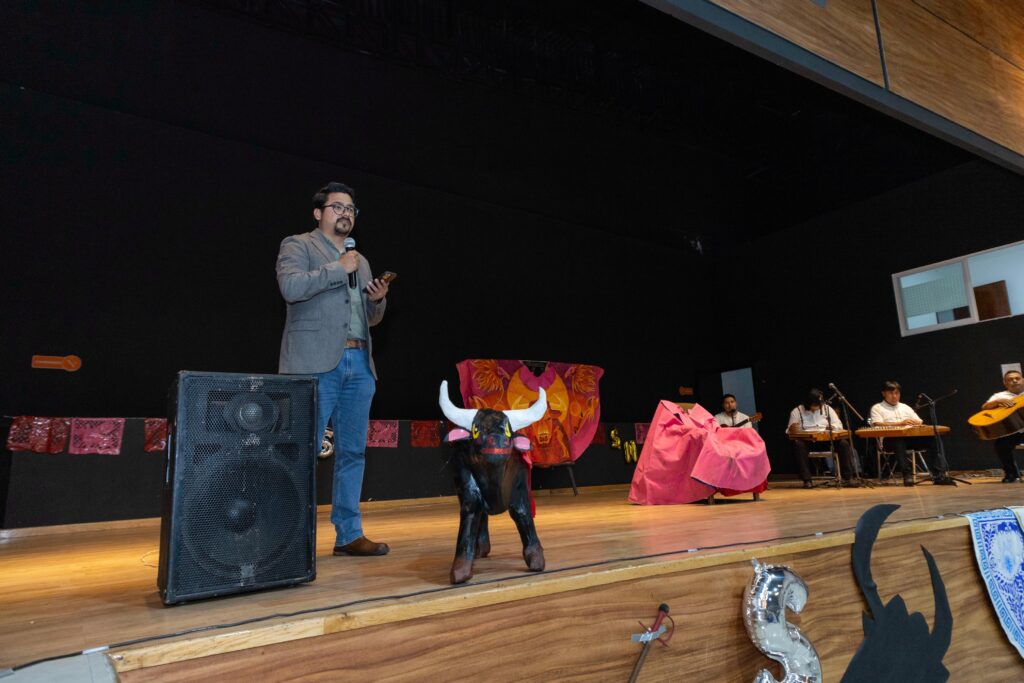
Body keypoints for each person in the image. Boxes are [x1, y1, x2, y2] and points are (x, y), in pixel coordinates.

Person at [277, 181, 391, 556]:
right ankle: (291, 538)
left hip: (359, 362)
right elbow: (291, 288)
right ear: (318, 213)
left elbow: (366, 318)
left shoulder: (362, 260)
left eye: (351, 209)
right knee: (302, 451)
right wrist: (337, 268)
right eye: (337, 207)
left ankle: (349, 534)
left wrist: (377, 302)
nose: (345, 214)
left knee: (353, 452)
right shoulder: (298, 245)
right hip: (314, 362)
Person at [868, 380, 953, 486]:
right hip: (889, 441)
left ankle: (939, 474)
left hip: (909, 439)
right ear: (883, 393)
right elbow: (877, 424)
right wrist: (900, 423)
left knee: (935, 439)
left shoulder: (905, 407)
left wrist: (916, 423)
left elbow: (919, 421)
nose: (894, 396)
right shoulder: (877, 408)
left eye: (897, 393)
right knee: (898, 440)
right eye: (890, 393)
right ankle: (907, 475)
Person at [786, 388, 860, 488]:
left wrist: (832, 427)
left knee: (843, 443)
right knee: (798, 445)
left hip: (827, 441)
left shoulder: (827, 409)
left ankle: (848, 478)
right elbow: (789, 432)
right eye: (813, 405)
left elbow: (839, 425)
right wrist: (791, 429)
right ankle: (807, 480)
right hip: (809, 443)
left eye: (818, 405)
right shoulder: (797, 411)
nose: (816, 408)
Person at [980, 369, 1024, 483]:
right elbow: (985, 407)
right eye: (1010, 379)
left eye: (1017, 378)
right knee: (1001, 445)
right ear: (1005, 383)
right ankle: (1011, 474)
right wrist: (997, 402)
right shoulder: (999, 395)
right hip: (1013, 431)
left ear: (1023, 380)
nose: (1014, 381)